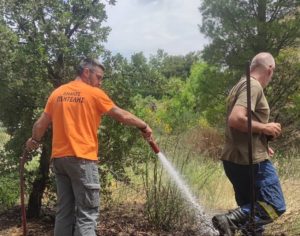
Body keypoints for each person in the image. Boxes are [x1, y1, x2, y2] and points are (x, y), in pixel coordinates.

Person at [25, 58, 153, 236]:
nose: (100, 83)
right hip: (82, 160)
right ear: (86, 72)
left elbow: (40, 124)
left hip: (60, 161)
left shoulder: (57, 93)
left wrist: (34, 140)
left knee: (64, 212)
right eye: (98, 78)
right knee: (87, 214)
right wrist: (143, 125)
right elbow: (121, 115)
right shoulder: (93, 93)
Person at [212, 52, 286, 236]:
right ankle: (228, 220)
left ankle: (234, 222)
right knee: (274, 205)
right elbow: (236, 120)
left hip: (234, 160)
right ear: (270, 69)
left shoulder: (239, 85)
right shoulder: (253, 86)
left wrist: (261, 140)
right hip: (251, 162)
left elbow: (240, 126)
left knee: (252, 224)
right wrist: (265, 128)